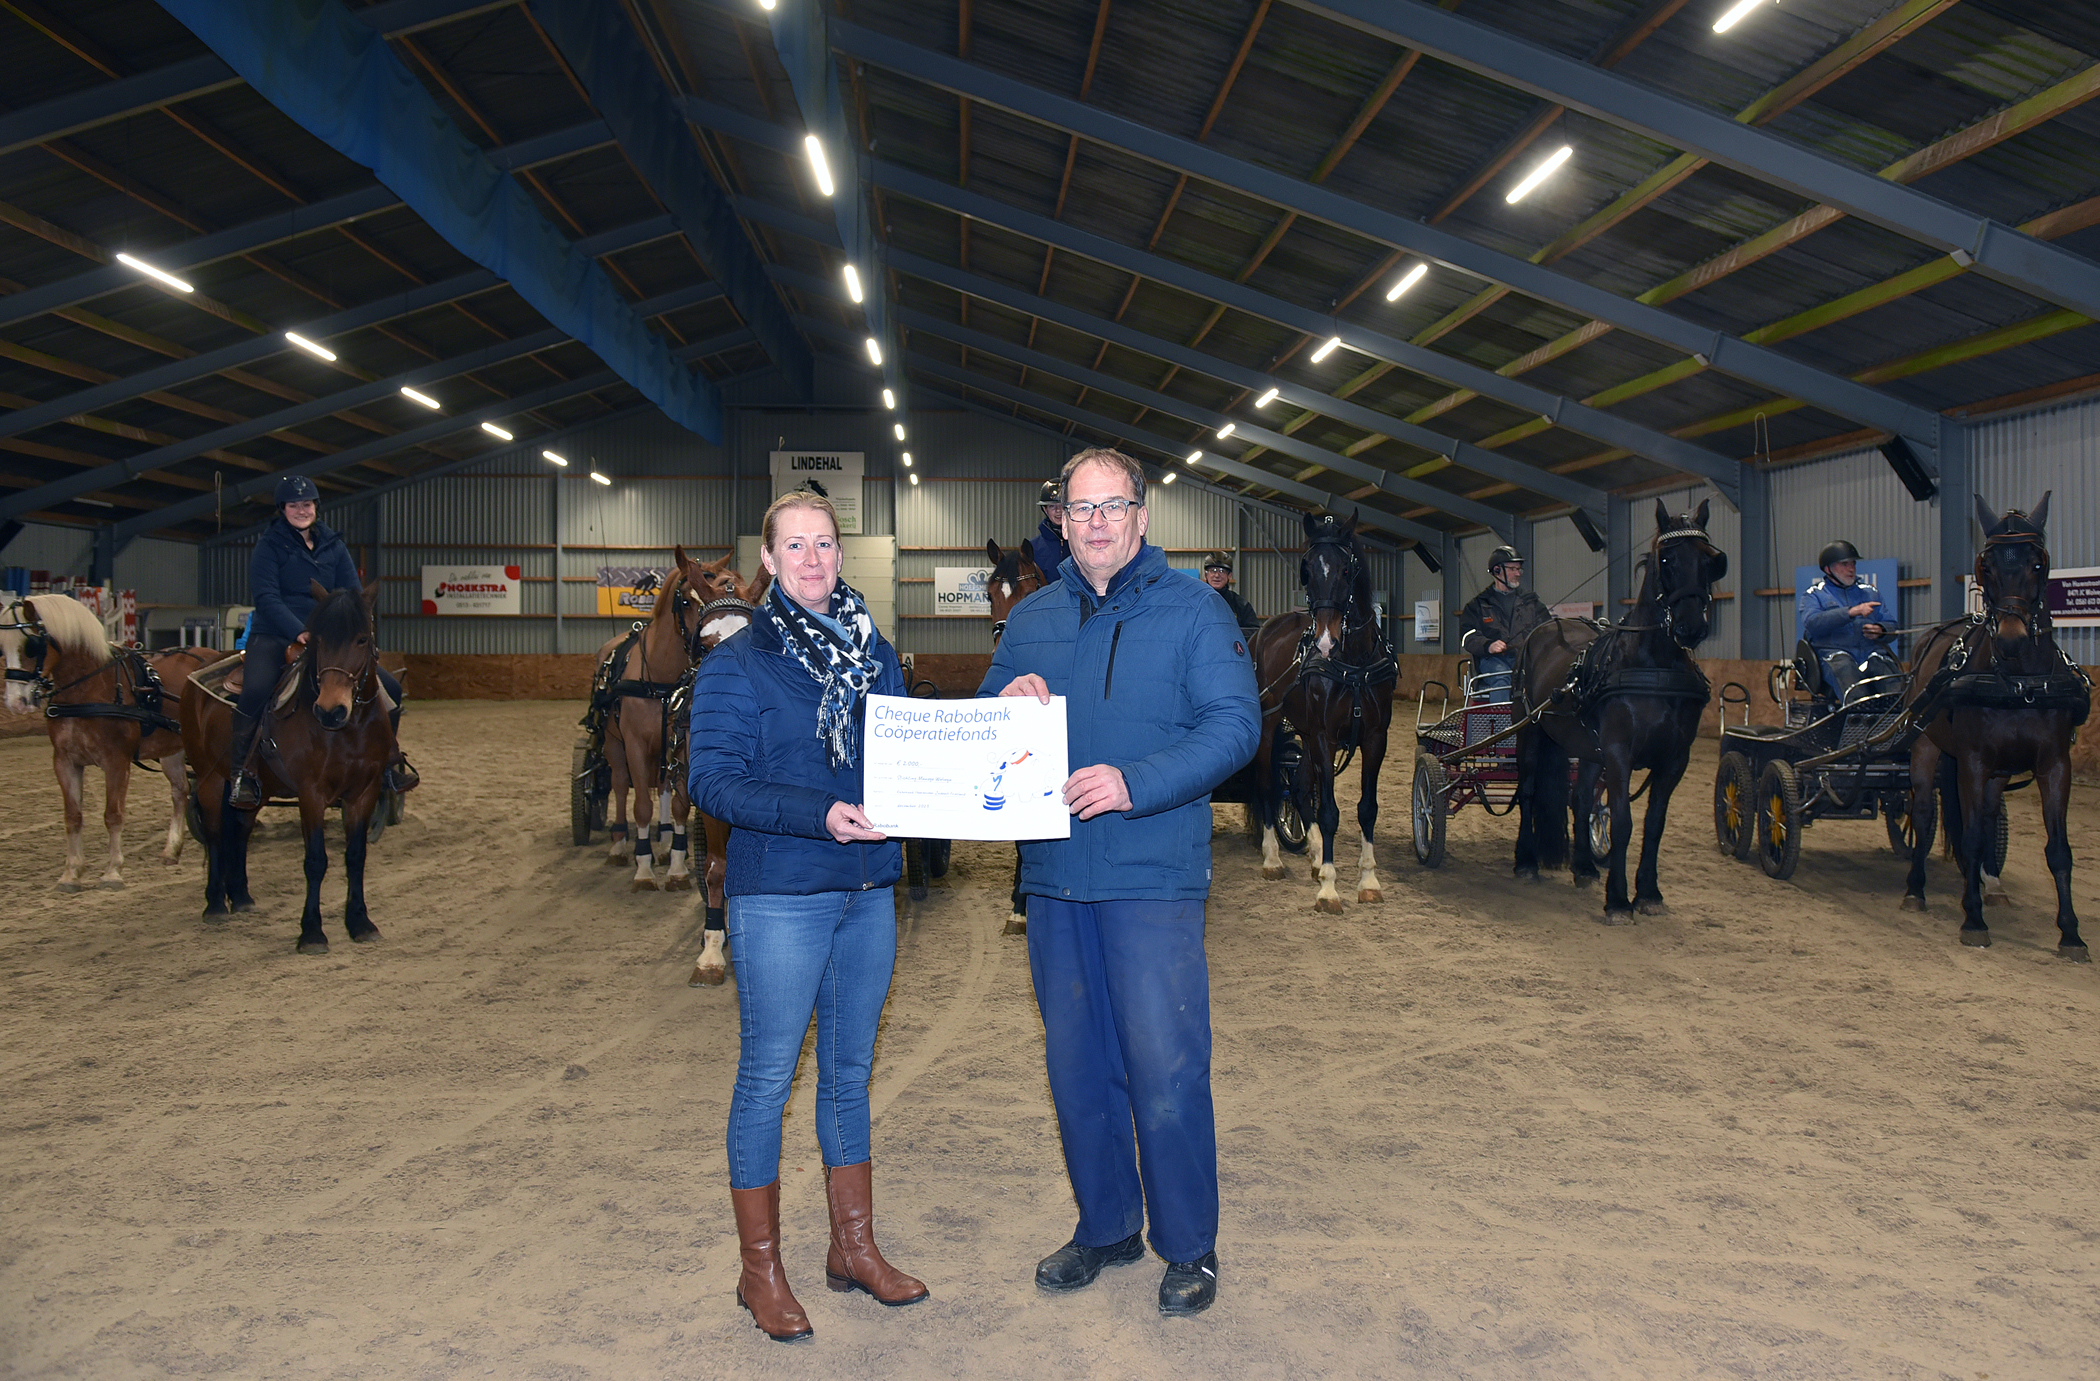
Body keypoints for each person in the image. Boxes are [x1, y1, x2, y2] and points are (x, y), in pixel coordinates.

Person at [981, 447, 1260, 1318]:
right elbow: (981, 728)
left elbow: (1235, 726)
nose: (1096, 521)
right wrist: (1002, 703)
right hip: (1057, 881)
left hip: (1151, 879)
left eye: (1113, 505)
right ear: (1059, 520)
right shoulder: (1029, 619)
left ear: (1141, 517)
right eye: (1080, 507)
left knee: (1165, 1065)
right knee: (1076, 1065)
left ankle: (1190, 1244)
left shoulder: (1194, 612)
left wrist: (1136, 782)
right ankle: (1106, 1224)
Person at [689, 489, 925, 1344]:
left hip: (867, 892)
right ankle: (761, 1271)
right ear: (768, 560)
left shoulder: (877, 652)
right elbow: (711, 782)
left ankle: (852, 1247)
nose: (814, 559)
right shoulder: (737, 662)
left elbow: (910, 749)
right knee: (766, 1078)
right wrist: (816, 812)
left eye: (825, 543)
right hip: (783, 890)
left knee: (849, 1074)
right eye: (796, 546)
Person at [230, 475, 411, 809]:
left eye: (307, 504)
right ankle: (243, 772)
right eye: (294, 505)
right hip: (274, 633)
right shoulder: (269, 545)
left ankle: (386, 762)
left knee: (390, 690)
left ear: (315, 507)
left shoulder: (332, 544)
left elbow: (350, 594)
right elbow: (266, 595)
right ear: (282, 509)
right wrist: (298, 630)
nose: (302, 510)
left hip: (327, 638)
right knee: (255, 689)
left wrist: (347, 627)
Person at [1802, 540, 1898, 701]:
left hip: (1870, 654)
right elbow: (1812, 622)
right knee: (1852, 684)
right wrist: (1851, 612)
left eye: (1853, 563)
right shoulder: (1814, 594)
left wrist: (1881, 630)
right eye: (1844, 564)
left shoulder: (1870, 592)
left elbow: (1892, 626)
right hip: (1834, 655)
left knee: (1895, 686)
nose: (1851, 568)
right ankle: (1857, 722)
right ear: (1828, 569)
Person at [1458, 545, 1549, 705]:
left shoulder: (1532, 603)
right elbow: (1468, 636)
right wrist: (1488, 645)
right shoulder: (1478, 605)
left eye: (1519, 569)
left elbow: (1547, 629)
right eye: (1513, 569)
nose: (1518, 574)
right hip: (1492, 660)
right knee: (1502, 678)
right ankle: (1503, 726)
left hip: (1524, 659)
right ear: (1497, 570)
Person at [1200, 551, 1261, 633]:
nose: (1217, 575)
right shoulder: (1196, 602)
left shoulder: (1241, 605)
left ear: (1229, 575)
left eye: (1222, 571)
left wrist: (1230, 633)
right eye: (1213, 570)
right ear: (1206, 575)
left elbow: (1253, 632)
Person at [1024, 477, 1068, 580]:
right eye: (1052, 506)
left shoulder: (1082, 542)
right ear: (1045, 509)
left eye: (1062, 506)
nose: (1058, 511)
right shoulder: (1032, 548)